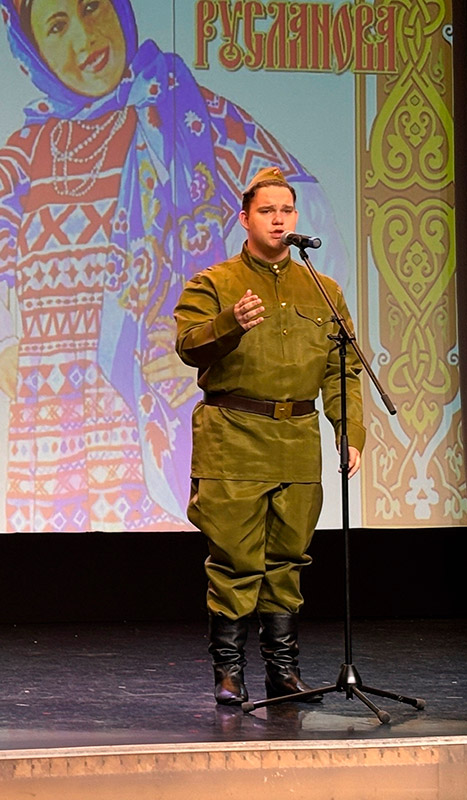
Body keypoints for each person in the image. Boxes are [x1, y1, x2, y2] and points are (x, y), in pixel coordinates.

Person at [0, 0, 348, 532]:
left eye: (93, 8)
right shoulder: (31, 151)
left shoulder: (195, 117)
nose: (85, 37)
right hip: (57, 428)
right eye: (57, 26)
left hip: (161, 422)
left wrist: (228, 349)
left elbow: (304, 233)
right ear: (33, 51)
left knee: (168, 561)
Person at [173, 166, 365, 705]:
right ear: (245, 218)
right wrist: (230, 321)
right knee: (235, 560)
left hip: (297, 438)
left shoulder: (323, 290)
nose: (278, 220)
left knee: (289, 559)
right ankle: (229, 673)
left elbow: (342, 367)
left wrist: (349, 430)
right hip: (232, 437)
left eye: (286, 210)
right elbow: (188, 346)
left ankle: (284, 671)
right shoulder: (215, 283)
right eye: (266, 211)